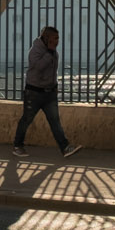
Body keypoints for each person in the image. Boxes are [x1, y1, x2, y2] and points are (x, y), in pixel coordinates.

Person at [11, 25, 81, 158]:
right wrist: (49, 53)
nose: (57, 41)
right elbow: (38, 68)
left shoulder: (55, 52)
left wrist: (55, 87)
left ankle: (65, 147)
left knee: (55, 121)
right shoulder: (35, 51)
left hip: (49, 94)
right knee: (26, 119)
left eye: (58, 38)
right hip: (34, 93)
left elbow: (53, 73)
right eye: (55, 38)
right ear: (47, 38)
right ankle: (17, 145)